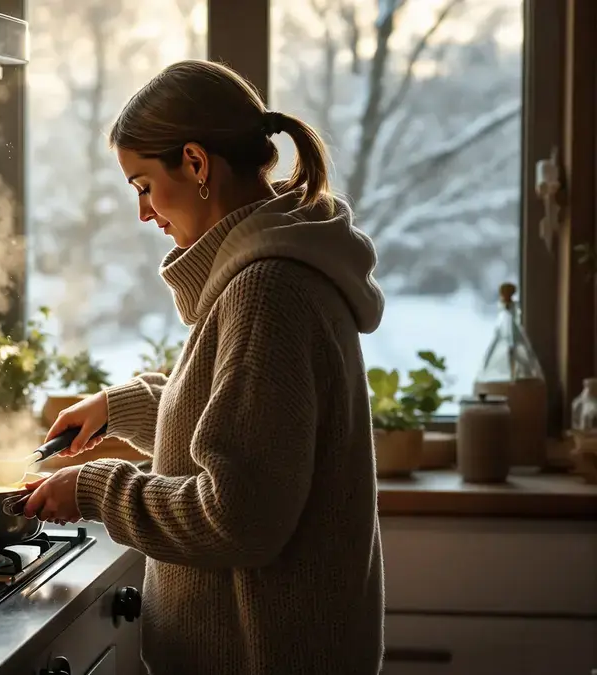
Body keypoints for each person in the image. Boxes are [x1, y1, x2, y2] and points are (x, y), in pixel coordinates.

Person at [22, 60, 386, 675]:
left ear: (195, 164)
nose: (143, 213)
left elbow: (238, 519)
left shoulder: (266, 288)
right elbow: (248, 416)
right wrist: (121, 408)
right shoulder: (271, 267)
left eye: (142, 185)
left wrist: (94, 490)